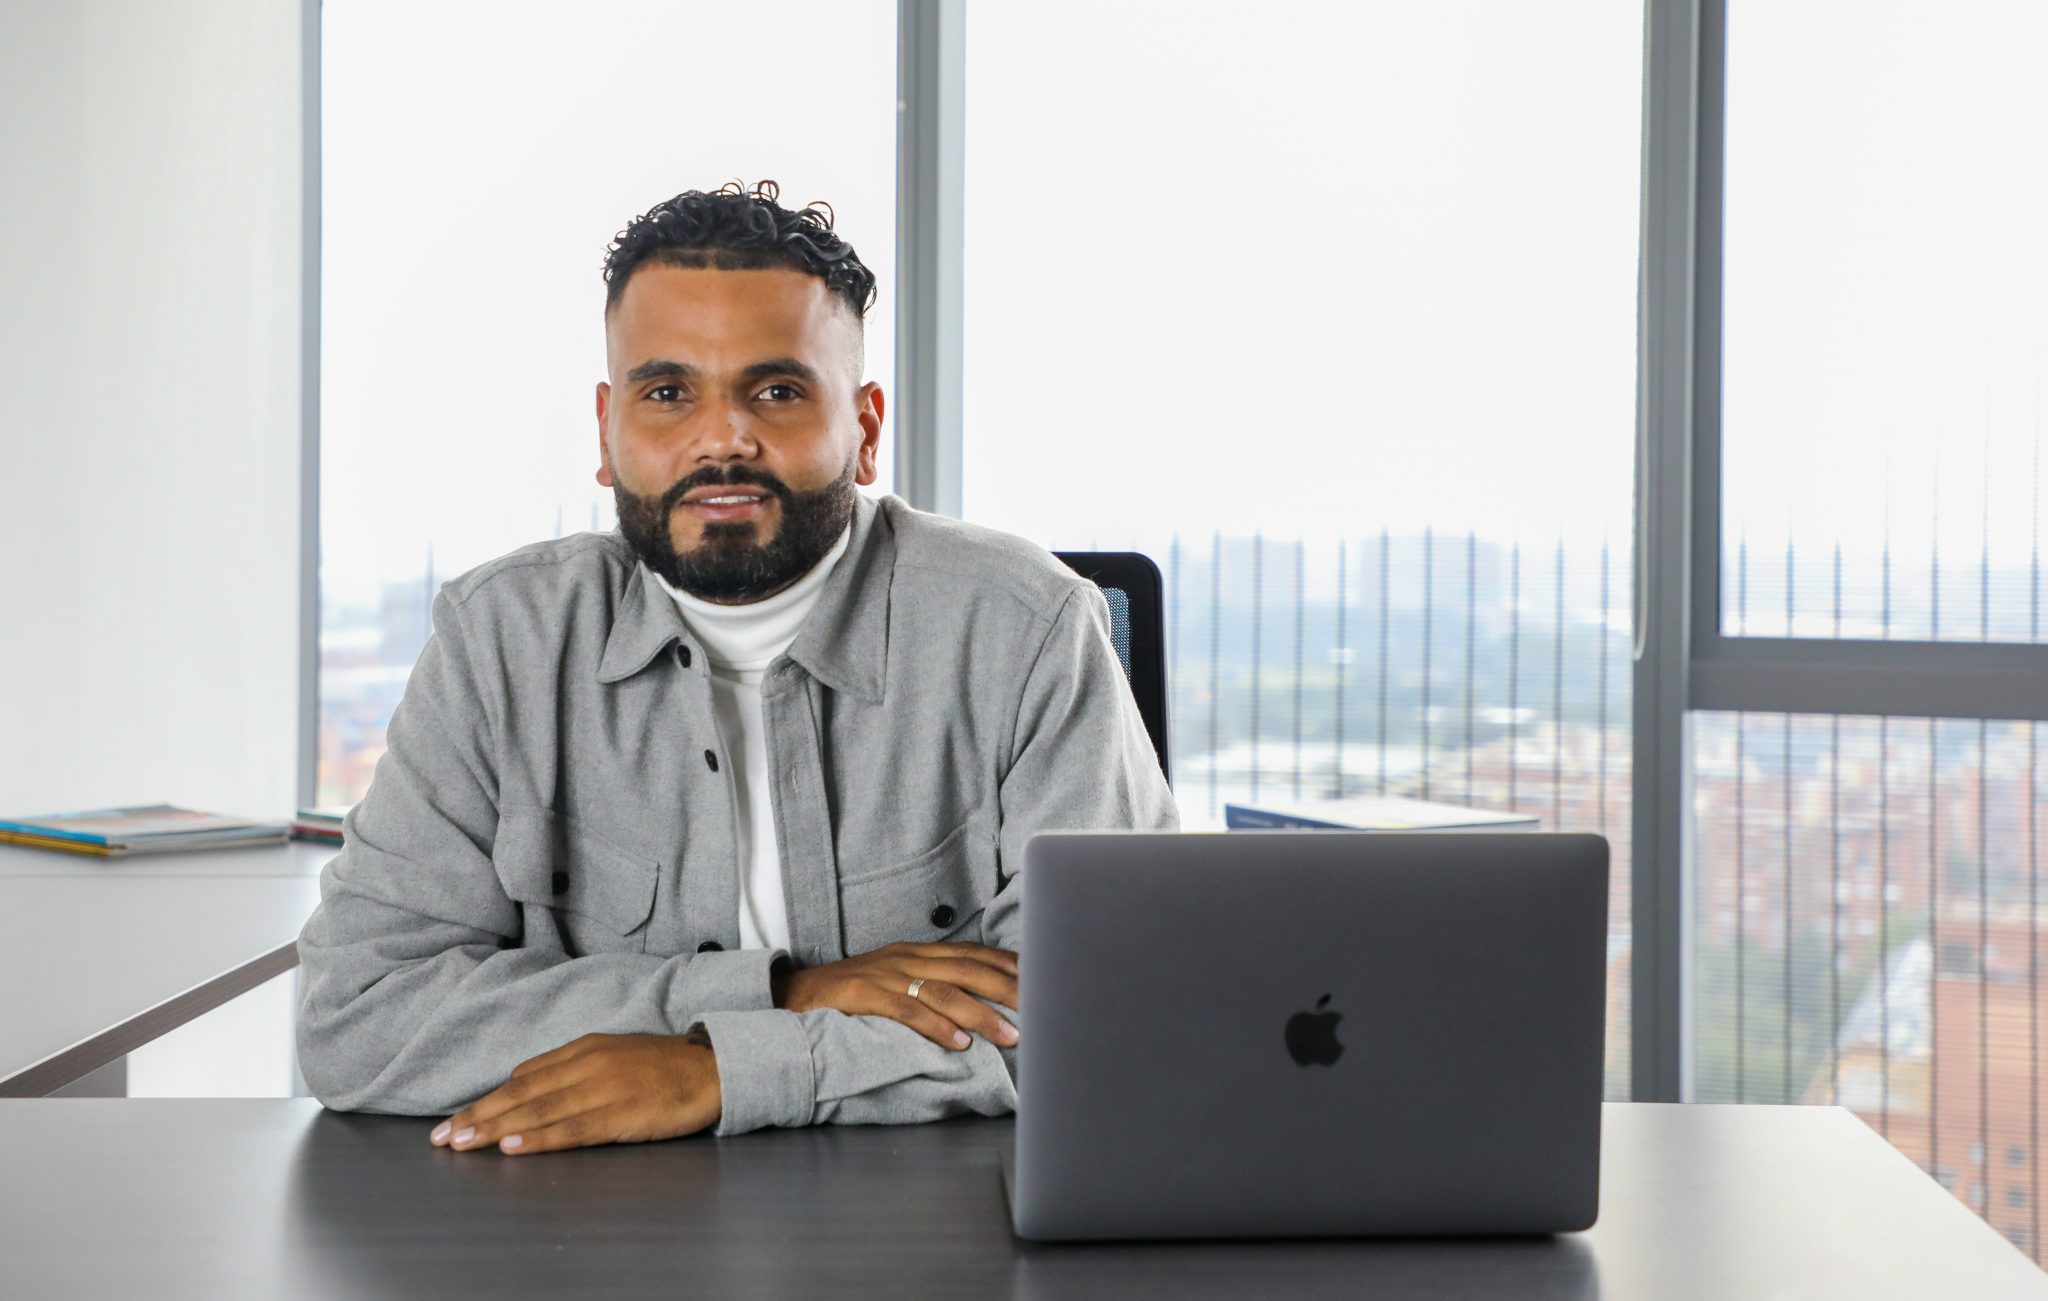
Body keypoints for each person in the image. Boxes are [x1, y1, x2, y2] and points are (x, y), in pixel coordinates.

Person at [295, 181, 1177, 1156]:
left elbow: (1113, 1010)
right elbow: (358, 1016)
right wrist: (781, 992)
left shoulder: (1026, 627)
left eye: (778, 391)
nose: (722, 438)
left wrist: (719, 1068)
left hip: (938, 1203)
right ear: (606, 430)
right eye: (668, 392)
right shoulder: (499, 639)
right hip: (593, 1217)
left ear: (866, 429)